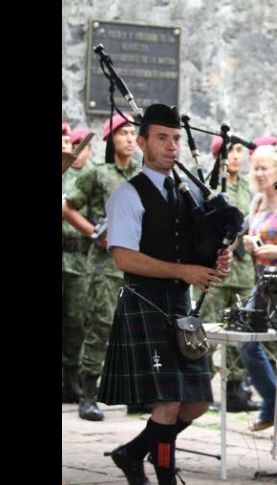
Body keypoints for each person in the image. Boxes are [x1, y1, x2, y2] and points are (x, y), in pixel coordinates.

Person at [98, 104, 233, 485]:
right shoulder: (128, 194)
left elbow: (191, 250)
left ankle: (133, 452)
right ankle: (164, 475)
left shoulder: (185, 192)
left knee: (197, 401)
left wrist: (214, 261)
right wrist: (183, 271)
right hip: (145, 303)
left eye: (175, 139)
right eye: (161, 138)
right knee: (169, 402)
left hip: (179, 306)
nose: (171, 146)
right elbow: (123, 257)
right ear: (142, 142)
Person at [62, 113, 141, 421]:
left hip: (137, 263)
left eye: (134, 133)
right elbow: (68, 207)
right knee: (100, 326)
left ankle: (135, 393)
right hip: (105, 264)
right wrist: (95, 233)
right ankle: (88, 395)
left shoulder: (143, 174)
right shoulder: (96, 173)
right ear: (110, 139)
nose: (130, 139)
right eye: (123, 134)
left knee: (134, 327)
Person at [196, 135, 259, 413]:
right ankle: (199, 384)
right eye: (230, 151)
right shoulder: (207, 186)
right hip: (215, 267)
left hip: (242, 270)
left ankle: (235, 388)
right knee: (207, 327)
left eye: (238, 152)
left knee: (239, 331)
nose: (236, 156)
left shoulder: (248, 188)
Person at [240, 143, 277, 433]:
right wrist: (251, 243)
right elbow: (253, 236)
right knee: (246, 341)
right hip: (261, 282)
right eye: (256, 168)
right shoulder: (257, 202)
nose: (259, 174)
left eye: (265, 167)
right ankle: (274, 401)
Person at [61, 128, 94, 404]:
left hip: (80, 258)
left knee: (76, 320)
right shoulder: (64, 174)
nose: (77, 151)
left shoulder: (90, 177)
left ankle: (72, 377)